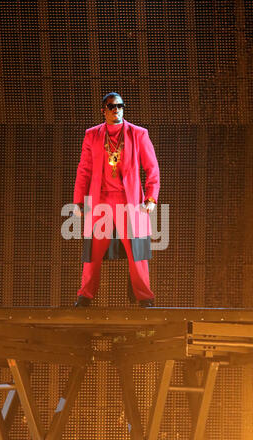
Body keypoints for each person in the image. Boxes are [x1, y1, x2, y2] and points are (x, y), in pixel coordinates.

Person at [73, 92, 160, 307]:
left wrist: (151, 197)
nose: (116, 110)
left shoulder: (138, 134)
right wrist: (78, 201)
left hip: (130, 201)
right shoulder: (92, 135)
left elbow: (152, 168)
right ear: (104, 110)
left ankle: (145, 297)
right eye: (111, 107)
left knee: (137, 252)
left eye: (120, 106)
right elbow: (84, 169)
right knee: (93, 251)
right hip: (100, 200)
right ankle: (85, 296)